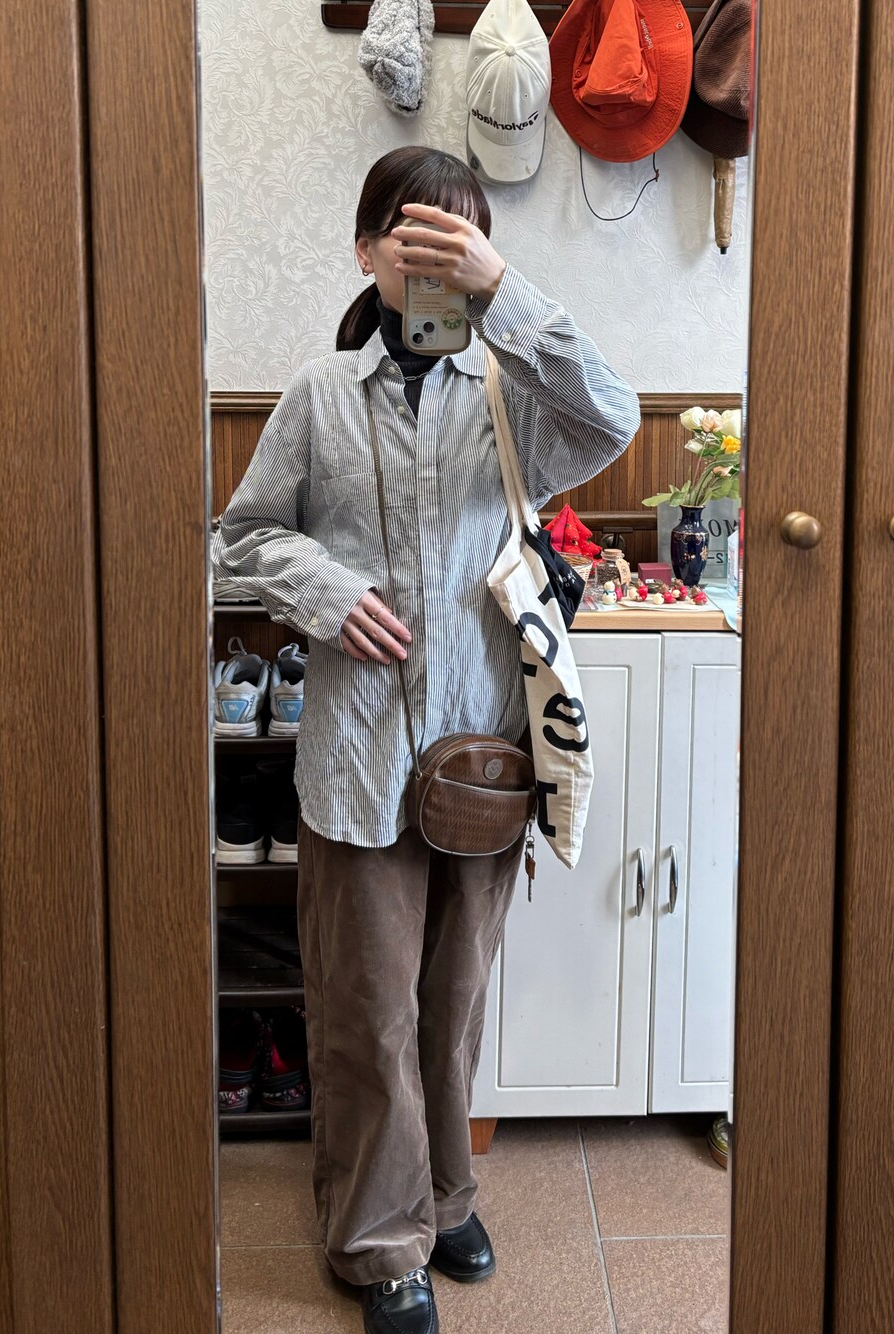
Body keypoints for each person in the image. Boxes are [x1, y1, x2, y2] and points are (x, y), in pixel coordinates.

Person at [215, 145, 640, 1334]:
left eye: (463, 237)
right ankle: (378, 1237)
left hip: (480, 759)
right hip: (356, 756)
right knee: (366, 1009)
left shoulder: (513, 396)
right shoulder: (318, 393)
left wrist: (507, 293)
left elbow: (612, 412)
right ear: (367, 250)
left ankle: (445, 1193)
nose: (439, 256)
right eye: (417, 234)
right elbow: (241, 536)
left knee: (452, 1000)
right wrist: (323, 588)